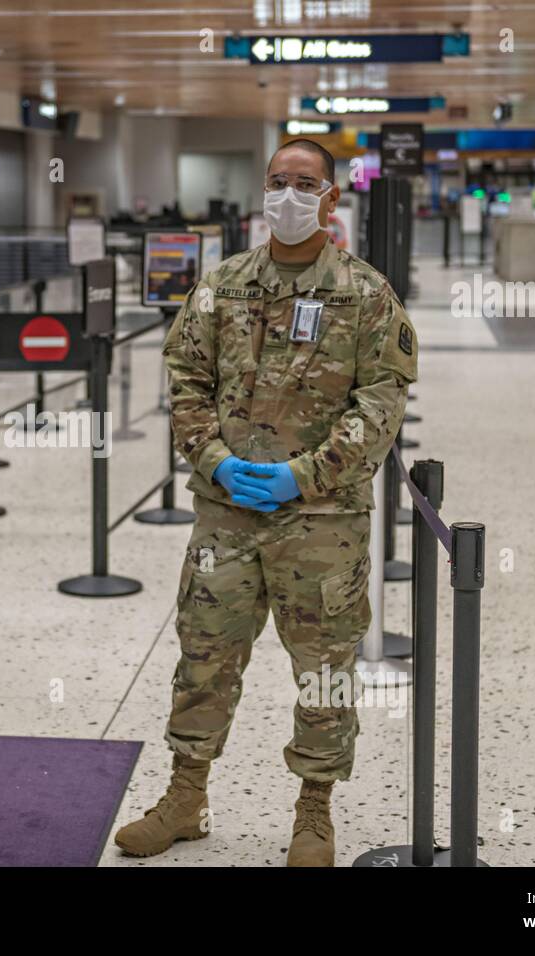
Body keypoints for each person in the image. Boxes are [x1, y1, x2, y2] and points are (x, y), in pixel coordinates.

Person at [114, 139, 418, 866]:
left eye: (304, 183)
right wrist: (213, 460)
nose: (288, 194)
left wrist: (304, 474)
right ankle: (186, 796)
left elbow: (380, 404)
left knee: (322, 666)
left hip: (322, 522)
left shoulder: (366, 294)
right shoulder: (220, 285)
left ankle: (314, 811)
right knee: (204, 655)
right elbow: (186, 378)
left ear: (331, 198)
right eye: (277, 181)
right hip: (227, 514)